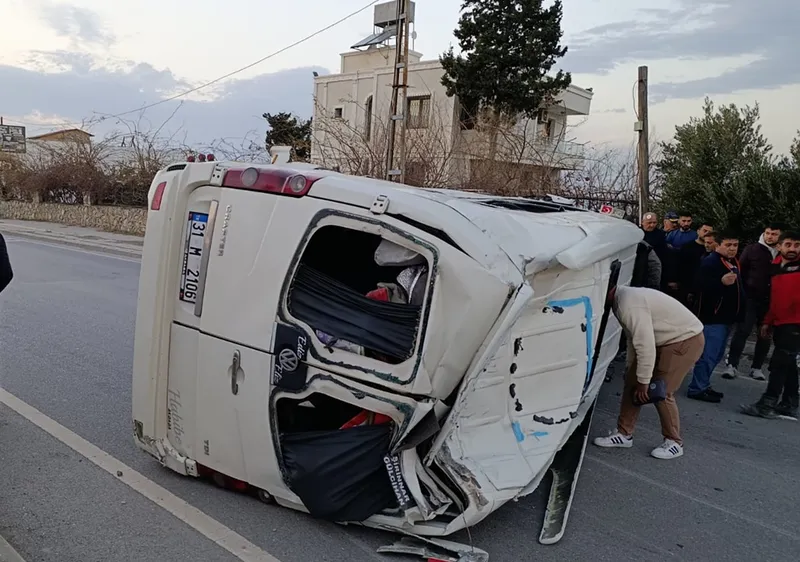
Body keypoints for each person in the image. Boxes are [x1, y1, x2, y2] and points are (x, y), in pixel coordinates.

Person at [594, 286, 704, 459]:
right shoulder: (620, 300)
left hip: (684, 339)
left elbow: (645, 345)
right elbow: (633, 337)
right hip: (663, 339)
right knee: (632, 381)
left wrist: (644, 382)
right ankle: (624, 434)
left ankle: (674, 442)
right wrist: (632, 369)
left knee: (660, 390)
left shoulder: (627, 305)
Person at [741, 231, 800, 419]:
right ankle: (790, 402)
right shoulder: (775, 268)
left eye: (797, 245)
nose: (792, 249)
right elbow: (775, 299)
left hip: (796, 323)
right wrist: (767, 321)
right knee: (788, 363)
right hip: (780, 322)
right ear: (779, 247)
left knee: (779, 363)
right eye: (788, 244)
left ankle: (767, 402)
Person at [686, 232, 744, 403]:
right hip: (713, 317)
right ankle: (697, 388)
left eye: (735, 245)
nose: (732, 248)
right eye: (728, 245)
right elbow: (699, 286)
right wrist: (721, 283)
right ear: (717, 245)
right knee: (709, 354)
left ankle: (703, 384)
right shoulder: (711, 262)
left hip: (726, 317)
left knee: (717, 354)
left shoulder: (732, 262)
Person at [722, 223, 784, 381]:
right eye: (768, 233)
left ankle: (756, 368)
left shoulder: (783, 252)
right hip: (750, 297)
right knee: (743, 330)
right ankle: (732, 365)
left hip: (771, 300)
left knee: (765, 335)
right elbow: (740, 270)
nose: (770, 236)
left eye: (774, 234)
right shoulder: (752, 249)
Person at [672, 221, 714, 304]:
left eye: (709, 232)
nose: (707, 234)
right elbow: (678, 264)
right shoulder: (687, 247)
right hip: (686, 285)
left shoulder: (712, 250)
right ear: (698, 231)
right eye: (705, 231)